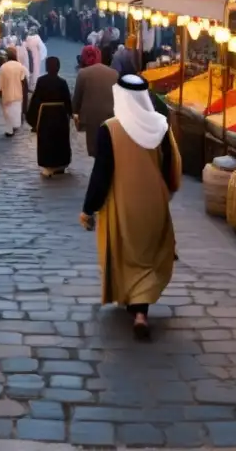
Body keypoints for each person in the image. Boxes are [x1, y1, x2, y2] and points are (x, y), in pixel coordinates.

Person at [80, 74, 181, 340]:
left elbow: (101, 173)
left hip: (122, 202)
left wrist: (88, 208)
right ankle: (139, 310)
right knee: (148, 255)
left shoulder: (110, 129)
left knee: (127, 253)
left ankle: (135, 307)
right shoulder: (161, 126)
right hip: (154, 203)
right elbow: (171, 166)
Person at [26, 56, 73, 178]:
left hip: (45, 115)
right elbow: (68, 101)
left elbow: (36, 100)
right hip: (60, 116)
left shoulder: (41, 81)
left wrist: (32, 117)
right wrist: (71, 113)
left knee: (47, 140)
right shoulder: (62, 82)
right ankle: (60, 165)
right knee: (59, 140)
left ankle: (48, 165)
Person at [73, 44, 119, 157]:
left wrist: (75, 113)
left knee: (95, 149)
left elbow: (77, 97)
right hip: (111, 115)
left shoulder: (83, 73)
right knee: (109, 146)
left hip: (91, 117)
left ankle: (98, 171)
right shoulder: (114, 73)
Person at [0, 45, 30, 137]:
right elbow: (23, 82)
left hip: (6, 95)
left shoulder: (3, 67)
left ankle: (9, 130)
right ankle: (15, 126)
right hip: (18, 94)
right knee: (16, 112)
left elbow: (0, 83)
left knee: (8, 113)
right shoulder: (20, 66)